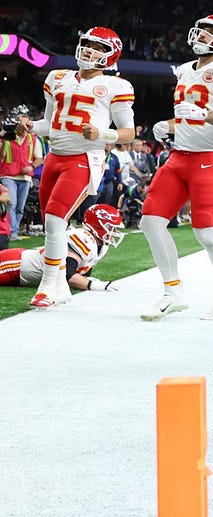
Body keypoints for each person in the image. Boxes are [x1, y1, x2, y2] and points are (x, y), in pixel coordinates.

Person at [140, 15, 213, 320]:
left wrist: (206, 116)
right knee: (150, 221)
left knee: (206, 232)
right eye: (201, 28)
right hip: (179, 157)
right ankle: (172, 291)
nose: (201, 33)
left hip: (210, 157)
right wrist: (169, 125)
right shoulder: (186, 70)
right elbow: (189, 116)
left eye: (210, 30)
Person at [28, 27, 135, 309]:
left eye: (97, 47)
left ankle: (50, 284)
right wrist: (30, 126)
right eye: (86, 43)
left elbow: (129, 133)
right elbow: (49, 124)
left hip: (84, 157)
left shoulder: (116, 86)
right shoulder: (57, 77)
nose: (89, 50)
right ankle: (61, 284)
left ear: (110, 55)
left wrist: (102, 134)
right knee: (52, 225)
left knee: (54, 219)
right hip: (55, 156)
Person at [0, 203, 123, 293]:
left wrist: (86, 282)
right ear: (98, 225)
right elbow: (67, 274)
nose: (114, 231)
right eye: (111, 227)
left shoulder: (100, 246)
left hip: (21, 273)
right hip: (15, 265)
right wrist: (95, 285)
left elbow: (79, 275)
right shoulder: (83, 239)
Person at [0, 106, 43, 239]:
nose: (24, 127)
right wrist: (4, 142)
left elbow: (39, 158)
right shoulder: (7, 137)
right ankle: (11, 232)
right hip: (9, 175)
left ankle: (14, 229)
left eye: (27, 124)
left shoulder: (33, 139)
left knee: (20, 206)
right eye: (22, 124)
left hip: (25, 177)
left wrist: (32, 167)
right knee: (11, 203)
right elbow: (1, 158)